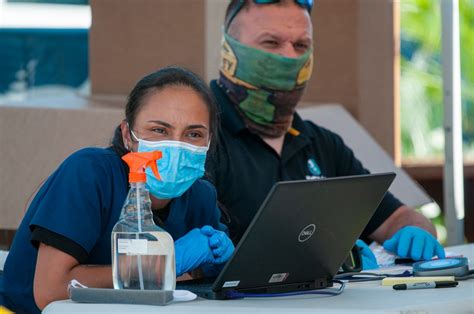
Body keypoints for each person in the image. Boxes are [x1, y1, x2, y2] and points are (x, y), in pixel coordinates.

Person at [205, 0, 445, 268]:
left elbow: (395, 217)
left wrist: (416, 232)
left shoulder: (323, 144)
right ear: (228, 50)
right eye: (270, 43)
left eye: (301, 46)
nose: (289, 57)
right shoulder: (196, 138)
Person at [0, 66, 234, 313]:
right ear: (127, 135)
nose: (176, 146)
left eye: (194, 133)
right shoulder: (90, 173)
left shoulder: (200, 196)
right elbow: (50, 290)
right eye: (159, 130)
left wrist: (221, 265)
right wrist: (164, 264)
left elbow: (196, 287)